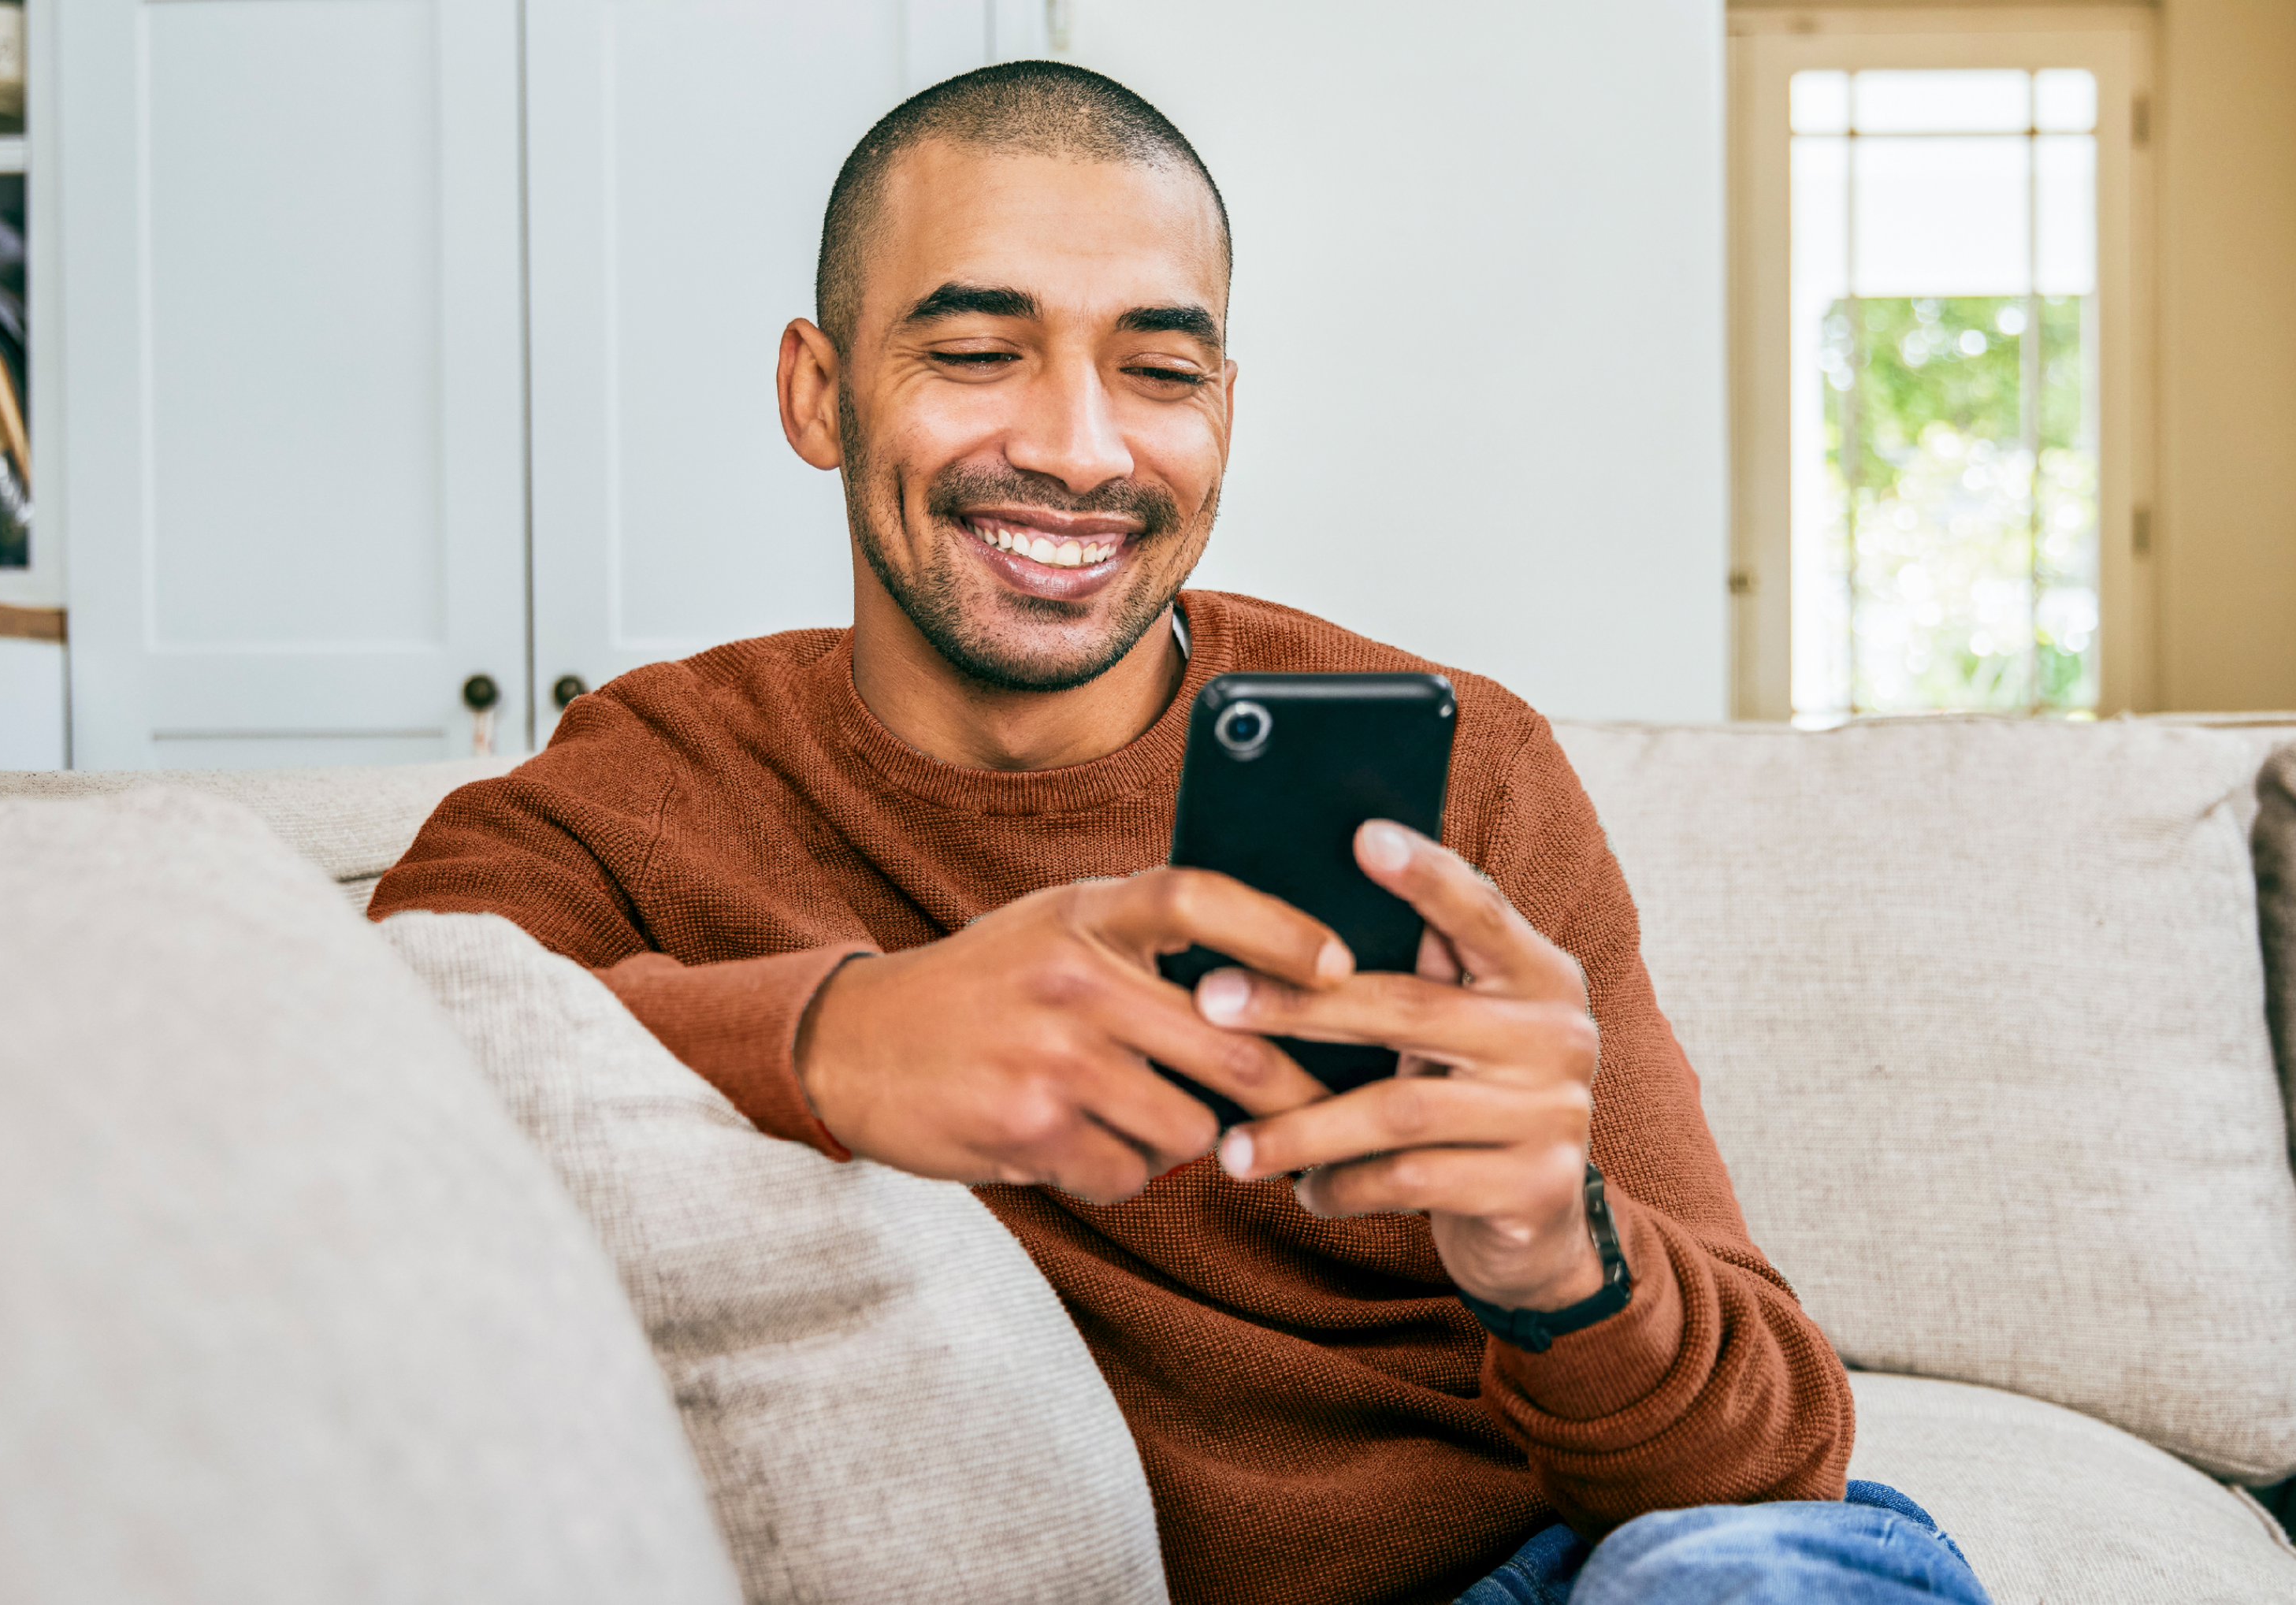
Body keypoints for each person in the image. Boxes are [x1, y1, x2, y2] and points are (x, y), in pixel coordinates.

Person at [371, 61, 1989, 1605]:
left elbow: (1775, 1456)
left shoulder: (1469, 770)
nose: (1083, 449)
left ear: (1224, 404)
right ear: (818, 390)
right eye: (976, 350)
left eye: (1160, 371)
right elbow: (351, 1046)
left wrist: (1559, 1250)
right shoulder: (661, 780)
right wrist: (838, 1038)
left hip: (1577, 1562)